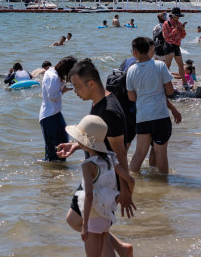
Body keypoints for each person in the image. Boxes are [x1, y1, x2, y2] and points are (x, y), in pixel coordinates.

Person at [57, 61, 135, 257]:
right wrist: (76, 145)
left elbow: (120, 153)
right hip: (100, 174)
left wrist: (125, 191)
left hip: (105, 180)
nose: (75, 91)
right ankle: (122, 249)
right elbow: (99, 141)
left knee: (77, 222)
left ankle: (120, 249)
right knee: (98, 230)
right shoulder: (99, 103)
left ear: (91, 84)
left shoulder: (109, 111)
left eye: (77, 86)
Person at [63, 115, 135, 257]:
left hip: (94, 217)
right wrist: (126, 195)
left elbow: (89, 195)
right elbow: (130, 180)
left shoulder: (88, 165)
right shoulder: (110, 158)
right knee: (105, 246)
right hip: (106, 215)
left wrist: (84, 226)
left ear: (85, 143)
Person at [126, 37, 177, 174]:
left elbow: (131, 97)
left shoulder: (131, 70)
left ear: (135, 52)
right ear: (149, 50)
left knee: (139, 153)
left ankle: (130, 182)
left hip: (142, 116)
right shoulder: (160, 65)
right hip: (160, 115)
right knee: (160, 152)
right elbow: (170, 90)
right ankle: (163, 184)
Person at [39, 57, 75, 162]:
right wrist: (63, 90)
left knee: (61, 144)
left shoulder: (52, 73)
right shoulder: (53, 77)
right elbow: (52, 96)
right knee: (57, 149)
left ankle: (55, 173)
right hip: (50, 115)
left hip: (52, 113)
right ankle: (54, 174)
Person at [162, 7, 188, 88]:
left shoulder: (179, 23)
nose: (178, 18)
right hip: (169, 45)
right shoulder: (166, 24)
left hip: (177, 46)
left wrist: (183, 29)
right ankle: (164, 84)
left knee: (181, 65)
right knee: (167, 65)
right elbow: (165, 36)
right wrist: (175, 30)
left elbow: (183, 36)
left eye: (179, 16)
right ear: (172, 16)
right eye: (177, 16)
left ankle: (184, 83)